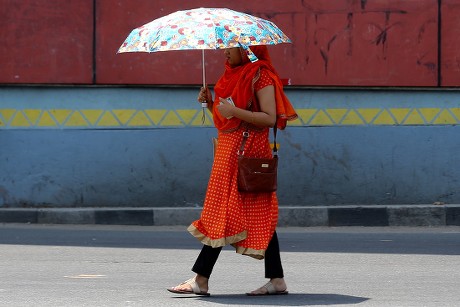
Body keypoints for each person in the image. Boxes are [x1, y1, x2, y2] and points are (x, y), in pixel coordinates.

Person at [168, 45, 297, 296]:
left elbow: (269, 118)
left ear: (246, 50)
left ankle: (200, 279)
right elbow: (226, 120)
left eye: (230, 48)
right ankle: (277, 279)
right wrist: (210, 103)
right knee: (253, 212)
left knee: (224, 212)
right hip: (228, 151)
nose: (224, 53)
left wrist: (233, 110)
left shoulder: (261, 75)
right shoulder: (229, 76)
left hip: (249, 152)